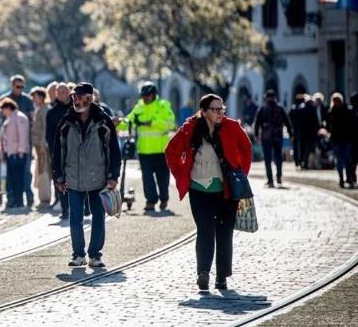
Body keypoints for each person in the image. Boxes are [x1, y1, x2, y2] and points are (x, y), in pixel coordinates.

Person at [165, 94, 252, 291]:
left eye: (222, 109)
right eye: (215, 109)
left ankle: (221, 277)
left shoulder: (232, 127)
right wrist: (182, 174)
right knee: (205, 230)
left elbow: (246, 149)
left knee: (224, 233)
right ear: (204, 111)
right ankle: (203, 273)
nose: (220, 113)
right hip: (199, 190)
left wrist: (240, 174)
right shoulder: (190, 128)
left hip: (226, 191)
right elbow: (171, 151)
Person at [52, 83, 120, 268]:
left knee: (98, 217)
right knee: (75, 218)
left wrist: (113, 175)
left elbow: (114, 150)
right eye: (74, 97)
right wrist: (59, 176)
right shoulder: (66, 121)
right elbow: (57, 151)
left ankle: (95, 255)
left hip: (99, 178)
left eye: (80, 97)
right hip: (73, 177)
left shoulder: (103, 121)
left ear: (90, 99)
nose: (76, 100)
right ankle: (78, 254)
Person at [120, 82, 176, 211]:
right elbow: (129, 121)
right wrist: (118, 123)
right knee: (147, 178)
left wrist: (153, 123)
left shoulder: (163, 106)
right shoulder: (139, 107)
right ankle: (151, 201)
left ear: (154, 95)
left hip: (161, 151)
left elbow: (171, 124)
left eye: (148, 95)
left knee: (163, 178)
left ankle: (164, 198)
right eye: (143, 95)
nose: (145, 98)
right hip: (144, 151)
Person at [1, 75, 35, 206]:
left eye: (22, 86)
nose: (20, 88)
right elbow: (1, 122)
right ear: (12, 85)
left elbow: (31, 120)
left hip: (23, 145)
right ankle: (12, 199)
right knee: (11, 175)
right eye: (18, 86)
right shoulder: (5, 99)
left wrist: (22, 148)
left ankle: (27, 197)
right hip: (10, 145)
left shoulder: (27, 100)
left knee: (25, 172)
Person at [253, 90, 292, 188]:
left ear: (266, 97)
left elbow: (257, 123)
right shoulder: (280, 108)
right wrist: (291, 133)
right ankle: (278, 177)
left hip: (266, 137)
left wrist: (256, 135)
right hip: (277, 136)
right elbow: (287, 121)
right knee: (278, 158)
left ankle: (270, 180)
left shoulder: (263, 108)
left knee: (268, 159)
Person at [0, 98, 30, 210]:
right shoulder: (10, 118)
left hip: (17, 153)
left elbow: (23, 135)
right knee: (12, 179)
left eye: (3, 109)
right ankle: (14, 201)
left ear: (8, 108)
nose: (3, 112)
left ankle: (19, 202)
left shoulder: (20, 117)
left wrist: (21, 151)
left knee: (18, 179)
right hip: (11, 153)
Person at [46, 82, 71, 218]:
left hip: (75, 152)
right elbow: (49, 134)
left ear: (69, 93)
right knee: (60, 180)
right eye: (59, 92)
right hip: (59, 152)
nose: (61, 94)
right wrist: (54, 151)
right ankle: (65, 209)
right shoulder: (52, 112)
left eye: (64, 91)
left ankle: (77, 207)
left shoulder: (75, 110)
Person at [30, 87, 52, 206]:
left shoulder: (44, 109)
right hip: (39, 145)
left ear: (41, 97)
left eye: (35, 97)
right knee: (40, 169)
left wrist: (43, 144)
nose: (34, 99)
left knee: (44, 170)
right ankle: (43, 197)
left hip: (42, 145)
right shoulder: (40, 109)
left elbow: (45, 128)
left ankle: (45, 197)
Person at [329, 93, 356, 188]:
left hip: (344, 139)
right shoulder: (334, 112)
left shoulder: (342, 111)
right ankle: (343, 178)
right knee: (343, 160)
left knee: (345, 159)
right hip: (340, 140)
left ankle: (347, 178)